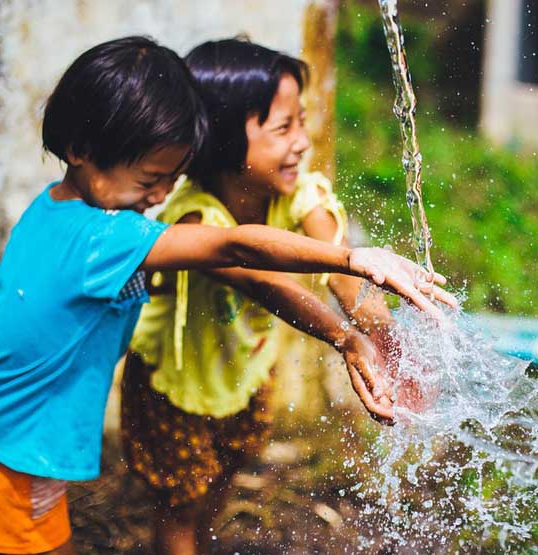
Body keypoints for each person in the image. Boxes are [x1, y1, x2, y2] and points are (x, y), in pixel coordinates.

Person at [0, 36, 452, 555]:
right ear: (80, 151)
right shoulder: (105, 236)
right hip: (8, 439)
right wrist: (352, 259)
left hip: (0, 424)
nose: (159, 198)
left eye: (170, 180)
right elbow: (236, 247)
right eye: (150, 179)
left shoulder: (55, 210)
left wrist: (362, 329)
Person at [120, 38, 448, 555]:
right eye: (283, 127)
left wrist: (383, 335)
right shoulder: (193, 215)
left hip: (247, 370)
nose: (302, 140)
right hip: (174, 383)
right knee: (180, 504)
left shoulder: (297, 193)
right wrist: (344, 337)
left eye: (302, 121)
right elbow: (264, 282)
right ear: (225, 140)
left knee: (223, 478)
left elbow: (340, 265)